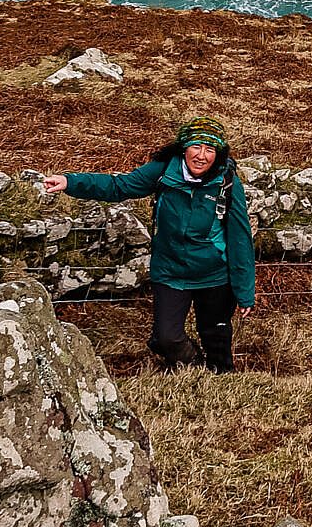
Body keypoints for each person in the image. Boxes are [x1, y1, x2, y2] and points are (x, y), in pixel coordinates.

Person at [43, 115, 254, 373]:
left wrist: (244, 291)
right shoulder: (164, 171)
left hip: (214, 275)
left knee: (217, 338)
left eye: (210, 149)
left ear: (218, 154)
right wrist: (70, 182)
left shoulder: (227, 183)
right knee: (167, 338)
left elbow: (240, 238)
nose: (202, 156)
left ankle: (221, 379)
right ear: (183, 147)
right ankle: (194, 367)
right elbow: (118, 186)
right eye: (196, 146)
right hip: (170, 271)